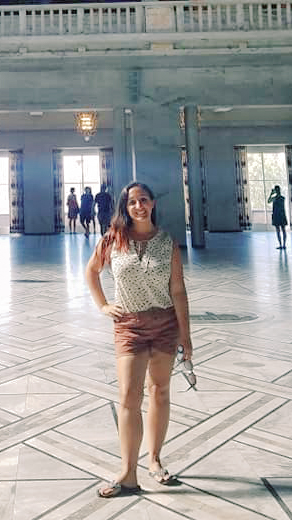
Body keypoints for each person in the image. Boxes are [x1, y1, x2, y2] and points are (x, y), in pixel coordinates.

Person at [84, 182, 193, 498]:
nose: (138, 206)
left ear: (153, 203)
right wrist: (104, 305)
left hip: (165, 325)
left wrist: (186, 337)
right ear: (125, 207)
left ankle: (154, 460)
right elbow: (91, 271)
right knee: (129, 396)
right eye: (132, 202)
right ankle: (128, 473)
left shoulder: (167, 242)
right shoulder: (113, 238)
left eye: (143, 200)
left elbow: (178, 291)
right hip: (129, 327)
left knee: (159, 391)